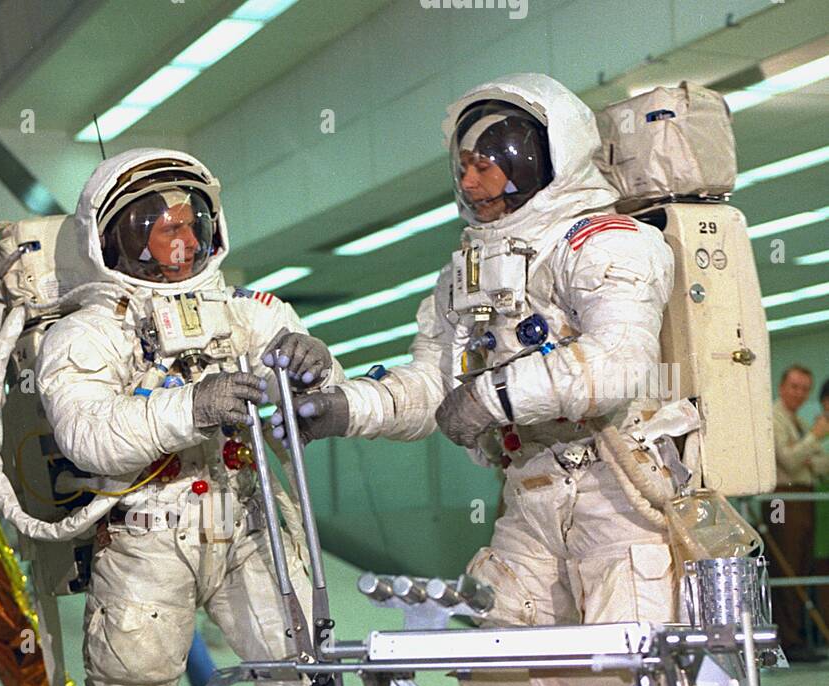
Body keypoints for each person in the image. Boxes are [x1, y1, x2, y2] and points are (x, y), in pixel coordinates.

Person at [35, 148, 347, 686]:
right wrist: (192, 407)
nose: (175, 244)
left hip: (249, 516)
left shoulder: (252, 312)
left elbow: (314, 387)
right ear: (117, 240)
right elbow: (86, 433)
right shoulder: (87, 331)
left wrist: (314, 366)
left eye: (187, 225)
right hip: (147, 526)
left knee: (299, 669)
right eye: (154, 228)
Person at [282, 73, 680, 630]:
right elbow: (436, 386)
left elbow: (617, 363)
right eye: (463, 166)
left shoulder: (607, 242)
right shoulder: (462, 276)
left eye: (485, 166)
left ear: (533, 162)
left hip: (617, 497)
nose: (470, 183)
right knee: (506, 661)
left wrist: (492, 398)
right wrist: (346, 408)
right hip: (531, 494)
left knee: (633, 675)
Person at [765, 365, 829, 660]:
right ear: (781, 387)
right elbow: (790, 461)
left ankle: (797, 639)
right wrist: (814, 438)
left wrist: (806, 445)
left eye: (805, 388)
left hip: (804, 497)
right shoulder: (774, 417)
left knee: (801, 564)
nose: (799, 393)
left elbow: (817, 465)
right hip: (781, 499)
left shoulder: (799, 422)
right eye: (794, 386)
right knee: (785, 564)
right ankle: (788, 642)